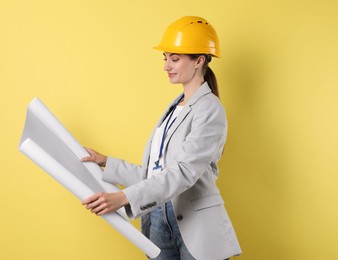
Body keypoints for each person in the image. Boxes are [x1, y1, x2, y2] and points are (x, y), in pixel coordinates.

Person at [81, 16, 242, 260]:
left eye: (174, 59)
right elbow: (157, 174)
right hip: (157, 216)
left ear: (199, 61)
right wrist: (107, 163)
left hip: (194, 223)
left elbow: (183, 172)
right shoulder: (174, 107)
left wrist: (125, 197)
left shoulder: (210, 109)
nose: (166, 66)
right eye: (165, 58)